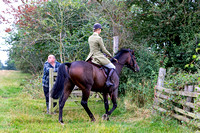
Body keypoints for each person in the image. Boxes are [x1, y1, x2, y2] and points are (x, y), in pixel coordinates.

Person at [86, 23, 117, 87]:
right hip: (98, 56)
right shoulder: (99, 38)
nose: (101, 31)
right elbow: (104, 50)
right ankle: (108, 81)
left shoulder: (90, 38)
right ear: (98, 29)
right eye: (100, 29)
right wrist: (111, 56)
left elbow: (94, 48)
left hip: (91, 56)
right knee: (113, 67)